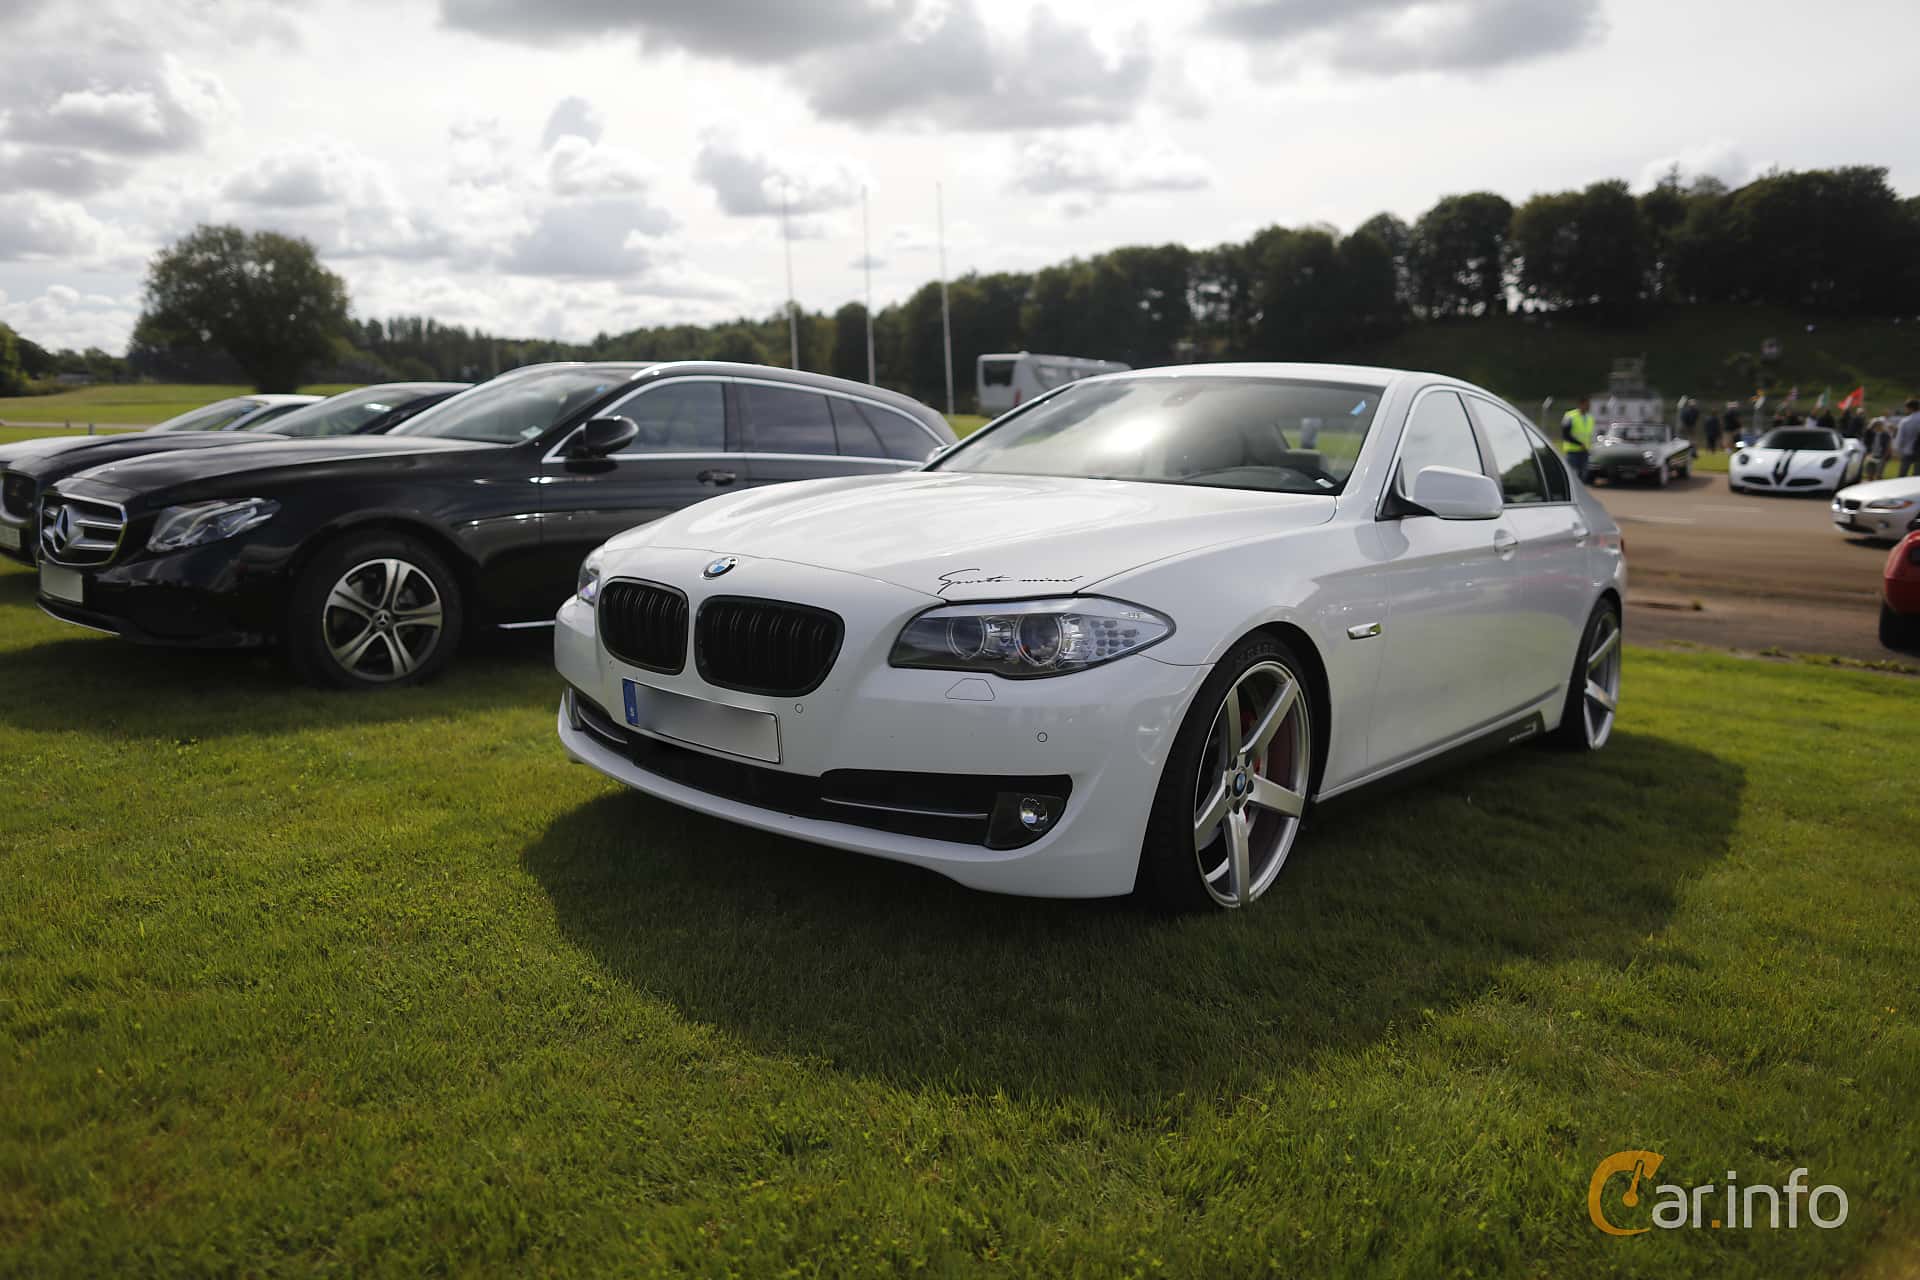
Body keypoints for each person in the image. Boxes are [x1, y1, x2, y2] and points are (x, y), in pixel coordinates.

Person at [1561, 395, 1595, 482]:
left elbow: (1589, 435)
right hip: (1572, 451)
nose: (1588, 407)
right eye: (1587, 404)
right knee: (1572, 476)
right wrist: (1579, 444)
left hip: (1585, 451)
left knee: (1583, 476)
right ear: (1581, 404)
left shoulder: (1590, 418)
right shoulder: (1570, 416)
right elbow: (1565, 435)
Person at [1897, 399, 1920, 478]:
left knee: (1902, 474)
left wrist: (1898, 450)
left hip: (1907, 450)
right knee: (1917, 476)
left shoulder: (1905, 421)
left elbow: (1900, 438)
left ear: (1910, 408)